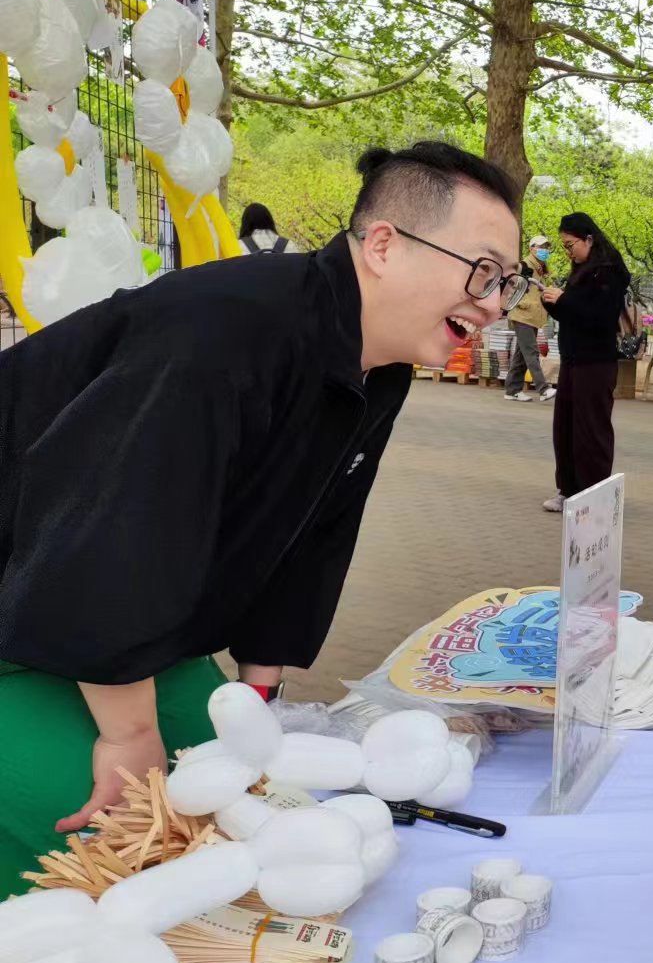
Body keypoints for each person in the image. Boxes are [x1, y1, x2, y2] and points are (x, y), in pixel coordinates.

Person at [0, 141, 521, 893]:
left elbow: (311, 530)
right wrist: (128, 731)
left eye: (508, 280)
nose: (496, 302)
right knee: (112, 839)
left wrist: (257, 693)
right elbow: (109, 522)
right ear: (383, 245)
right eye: (482, 271)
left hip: (123, 622)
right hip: (34, 590)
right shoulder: (224, 327)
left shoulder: (380, 368)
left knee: (231, 806)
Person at [543, 213, 630, 513]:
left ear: (589, 239)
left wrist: (564, 301)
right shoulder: (580, 270)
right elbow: (573, 313)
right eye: (564, 246)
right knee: (565, 427)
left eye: (571, 245)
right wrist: (552, 302)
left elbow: (601, 317)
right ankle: (568, 488)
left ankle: (594, 493)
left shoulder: (608, 272)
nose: (569, 252)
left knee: (591, 429)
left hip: (596, 362)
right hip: (572, 359)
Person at [503, 237, 553, 403]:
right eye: (541, 247)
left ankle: (512, 390)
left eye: (546, 247)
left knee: (522, 354)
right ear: (532, 248)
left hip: (532, 316)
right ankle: (543, 389)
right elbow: (510, 289)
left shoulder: (541, 269)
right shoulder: (524, 266)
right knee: (531, 351)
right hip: (522, 315)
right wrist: (524, 304)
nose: (544, 250)